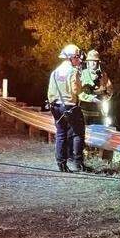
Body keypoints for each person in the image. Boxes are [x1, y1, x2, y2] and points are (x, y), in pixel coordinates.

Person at [47, 43, 86, 172]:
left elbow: (50, 92)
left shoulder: (55, 72)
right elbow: (76, 90)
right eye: (77, 57)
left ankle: (61, 163)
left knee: (61, 134)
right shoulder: (73, 72)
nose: (79, 59)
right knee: (78, 133)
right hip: (69, 106)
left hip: (56, 107)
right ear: (71, 57)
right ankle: (78, 163)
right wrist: (89, 96)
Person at [79, 49, 114, 126]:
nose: (92, 63)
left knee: (100, 130)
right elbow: (78, 91)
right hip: (85, 110)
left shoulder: (103, 75)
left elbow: (110, 89)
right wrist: (91, 98)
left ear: (98, 63)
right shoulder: (83, 74)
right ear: (87, 62)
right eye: (90, 61)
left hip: (99, 111)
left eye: (95, 61)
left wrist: (105, 97)